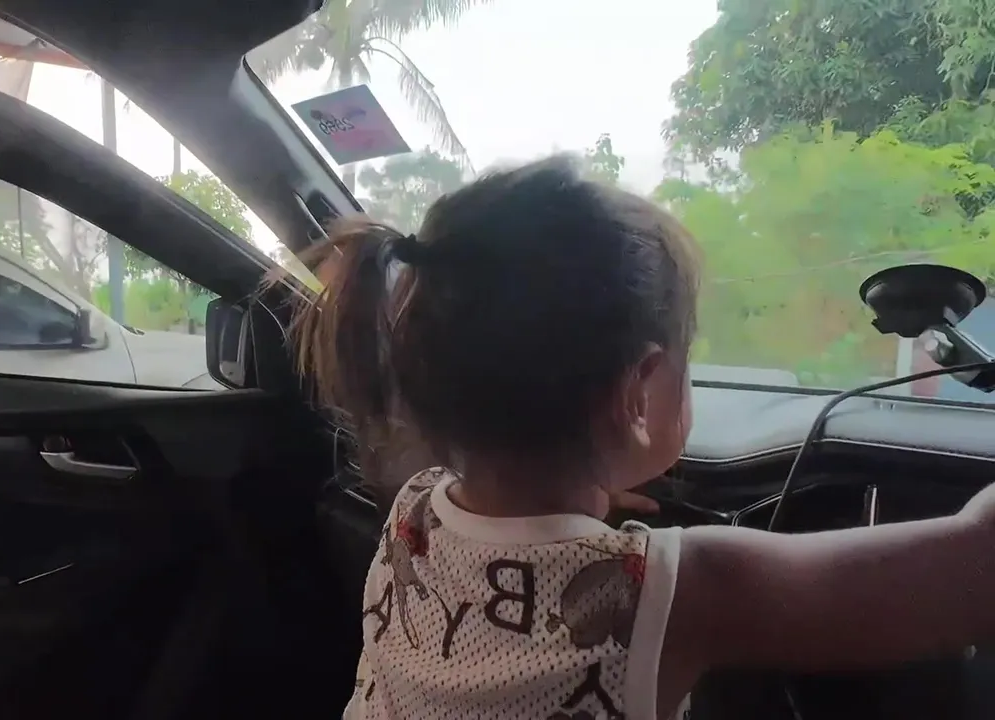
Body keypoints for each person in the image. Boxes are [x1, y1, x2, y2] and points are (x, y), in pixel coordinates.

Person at [285, 154, 995, 720]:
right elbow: (973, 572)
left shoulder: (414, 512)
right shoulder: (665, 590)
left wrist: (582, 486)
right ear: (639, 392)